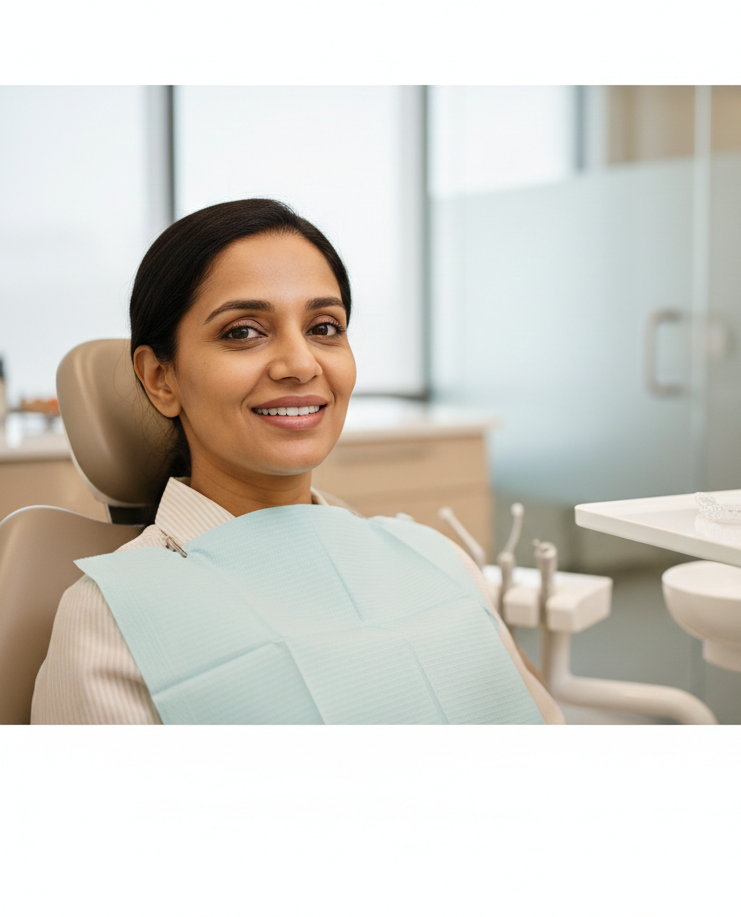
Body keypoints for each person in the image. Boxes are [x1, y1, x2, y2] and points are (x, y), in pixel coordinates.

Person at [32, 199, 563, 724]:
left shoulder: (435, 557)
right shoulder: (111, 621)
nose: (301, 364)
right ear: (160, 379)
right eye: (243, 331)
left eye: (324, 327)